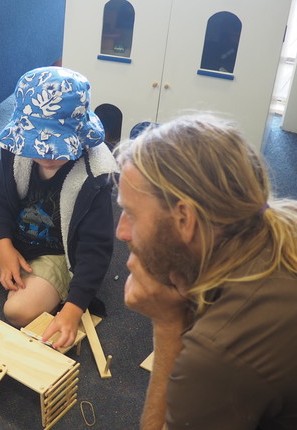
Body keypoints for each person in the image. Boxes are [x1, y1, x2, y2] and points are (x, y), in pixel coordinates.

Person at [114, 114, 297, 429]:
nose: (121, 232)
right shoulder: (280, 222)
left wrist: (168, 325)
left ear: (185, 218)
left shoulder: (219, 352)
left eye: (130, 213)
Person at [0, 67, 117, 349]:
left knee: (18, 311)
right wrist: (4, 247)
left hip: (58, 253)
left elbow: (96, 250)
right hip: (13, 233)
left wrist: (73, 309)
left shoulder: (95, 177)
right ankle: (16, 266)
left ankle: (44, 282)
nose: (46, 156)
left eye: (55, 148)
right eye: (38, 146)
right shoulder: (15, 148)